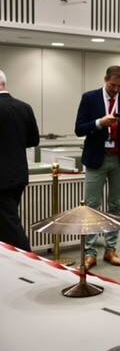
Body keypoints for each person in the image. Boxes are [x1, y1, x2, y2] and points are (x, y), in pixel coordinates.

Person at [75, 65, 120, 269]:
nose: (115, 90)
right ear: (105, 79)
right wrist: (99, 122)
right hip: (96, 158)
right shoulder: (90, 98)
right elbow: (79, 129)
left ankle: (110, 250)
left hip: (119, 159)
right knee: (92, 206)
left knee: (114, 206)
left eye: (119, 86)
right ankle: (90, 252)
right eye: (113, 85)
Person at [0, 70, 39, 251]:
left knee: (10, 224)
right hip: (19, 174)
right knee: (7, 222)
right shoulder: (25, 107)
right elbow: (33, 140)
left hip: (2, 179)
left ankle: (29, 261)